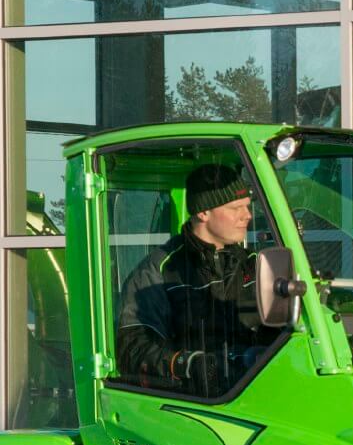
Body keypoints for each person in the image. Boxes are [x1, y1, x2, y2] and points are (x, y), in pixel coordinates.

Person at [116, 162, 274, 398]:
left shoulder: (256, 265)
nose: (247, 215)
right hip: (191, 401)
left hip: (256, 394)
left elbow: (284, 328)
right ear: (203, 212)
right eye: (235, 208)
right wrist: (187, 364)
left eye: (247, 206)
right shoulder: (159, 270)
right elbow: (133, 348)